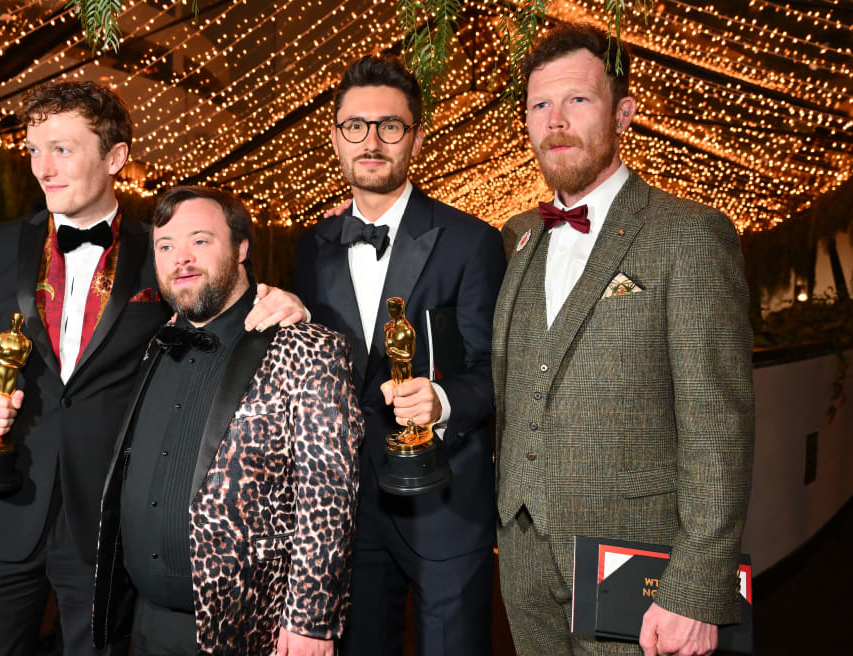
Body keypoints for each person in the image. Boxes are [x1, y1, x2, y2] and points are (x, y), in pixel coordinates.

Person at [0, 82, 305, 656]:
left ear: (115, 157)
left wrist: (284, 302)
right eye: (34, 149)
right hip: (2, 504)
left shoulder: (163, 251)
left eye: (62, 149)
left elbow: (220, 311)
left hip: (110, 517)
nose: (44, 166)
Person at [492, 23, 755, 656]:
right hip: (524, 559)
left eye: (577, 100)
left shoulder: (687, 234)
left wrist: (693, 587)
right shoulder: (517, 236)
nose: (556, 121)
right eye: (540, 105)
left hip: (639, 568)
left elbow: (718, 426)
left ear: (624, 113)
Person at [293, 55, 506, 655]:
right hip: (345, 512)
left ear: (414, 135)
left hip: (445, 500)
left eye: (390, 126)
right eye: (355, 126)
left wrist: (439, 399)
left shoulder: (472, 241)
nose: (371, 141)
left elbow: (495, 370)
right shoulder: (313, 248)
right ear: (335, 136)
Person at [92, 186, 362, 656]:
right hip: (143, 624)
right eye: (166, 246)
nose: (181, 258)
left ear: (241, 248)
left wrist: (311, 623)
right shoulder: (154, 346)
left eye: (200, 240)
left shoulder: (306, 347)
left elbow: (329, 502)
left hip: (249, 630)